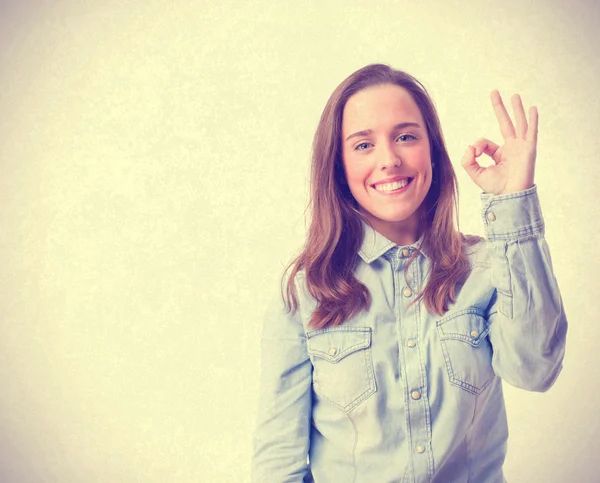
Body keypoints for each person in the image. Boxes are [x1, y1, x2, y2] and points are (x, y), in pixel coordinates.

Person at [251, 63, 568, 482]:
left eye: (405, 137)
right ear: (339, 165)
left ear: (432, 149)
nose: (389, 159)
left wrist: (514, 202)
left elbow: (536, 369)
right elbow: (278, 465)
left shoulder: (487, 267)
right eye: (363, 145)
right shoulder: (306, 291)